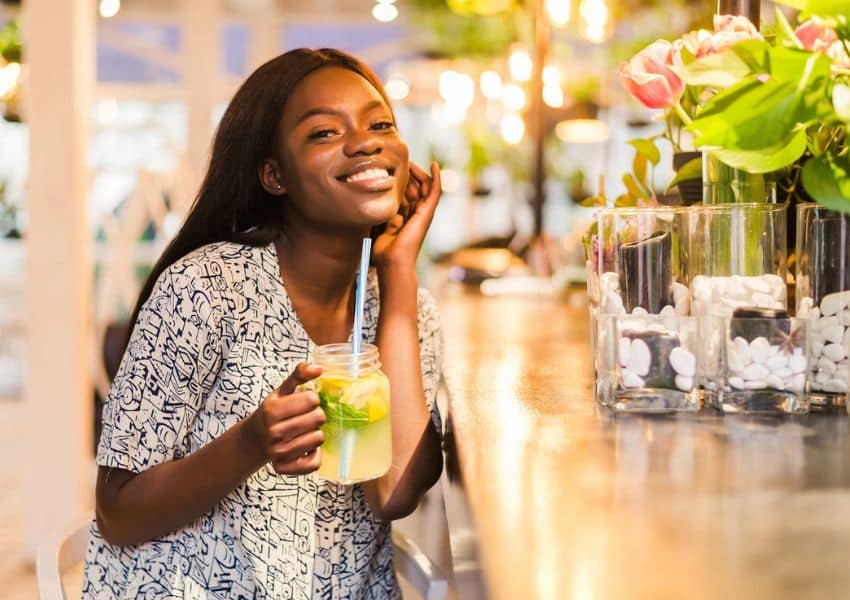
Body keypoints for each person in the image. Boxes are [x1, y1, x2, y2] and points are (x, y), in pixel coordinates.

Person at [82, 47, 444, 599]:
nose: (366, 141)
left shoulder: (403, 307)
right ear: (275, 175)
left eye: (380, 124)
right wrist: (252, 441)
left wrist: (397, 273)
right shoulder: (206, 287)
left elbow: (394, 493)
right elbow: (117, 513)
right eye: (324, 133)